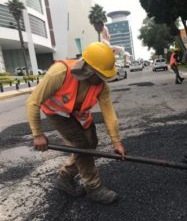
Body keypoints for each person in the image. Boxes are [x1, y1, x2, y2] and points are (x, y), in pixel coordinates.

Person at [26, 42, 126, 204]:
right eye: (100, 75)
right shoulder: (59, 73)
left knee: (91, 143)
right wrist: (37, 134)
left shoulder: (101, 85)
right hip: (57, 112)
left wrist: (117, 141)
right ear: (87, 69)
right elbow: (32, 102)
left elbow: (109, 112)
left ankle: (64, 177)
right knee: (81, 145)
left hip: (78, 112)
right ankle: (94, 187)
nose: (103, 80)